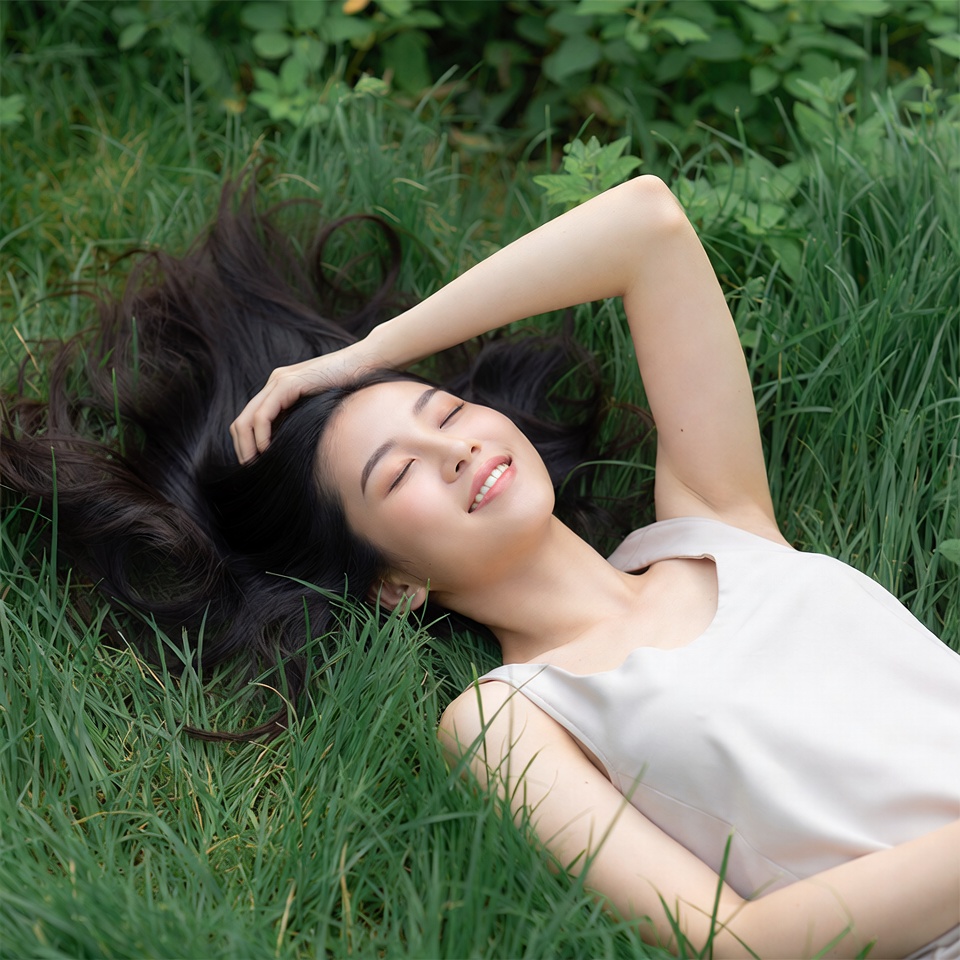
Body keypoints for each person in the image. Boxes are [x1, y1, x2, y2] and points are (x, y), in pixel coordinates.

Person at [4, 173, 958, 958]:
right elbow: (735, 942)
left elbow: (648, 226)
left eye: (447, 413)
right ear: (394, 584)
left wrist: (366, 356)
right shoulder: (504, 720)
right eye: (397, 474)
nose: (455, 449)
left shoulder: (719, 521)